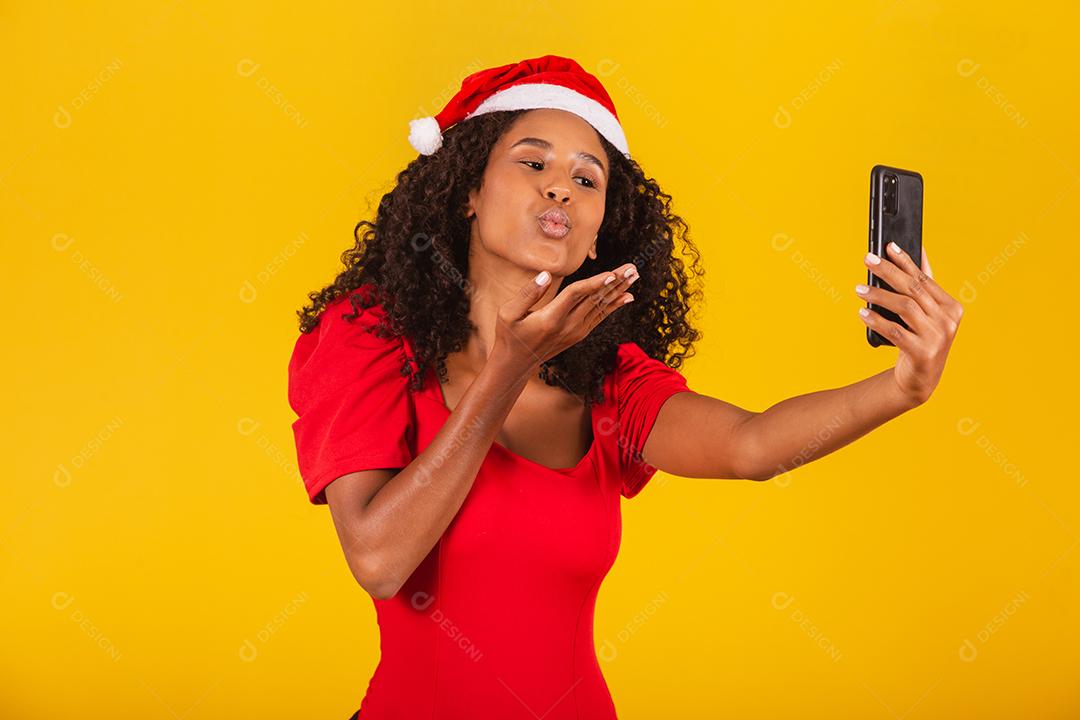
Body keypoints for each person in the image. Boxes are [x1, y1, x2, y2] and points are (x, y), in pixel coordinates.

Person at [286, 54, 963, 720]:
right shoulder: (371, 340)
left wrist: (902, 386)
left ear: (597, 235)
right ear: (468, 188)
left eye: (588, 180)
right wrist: (508, 368)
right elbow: (378, 559)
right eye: (533, 163)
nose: (561, 189)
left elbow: (750, 446)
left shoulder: (605, 380)